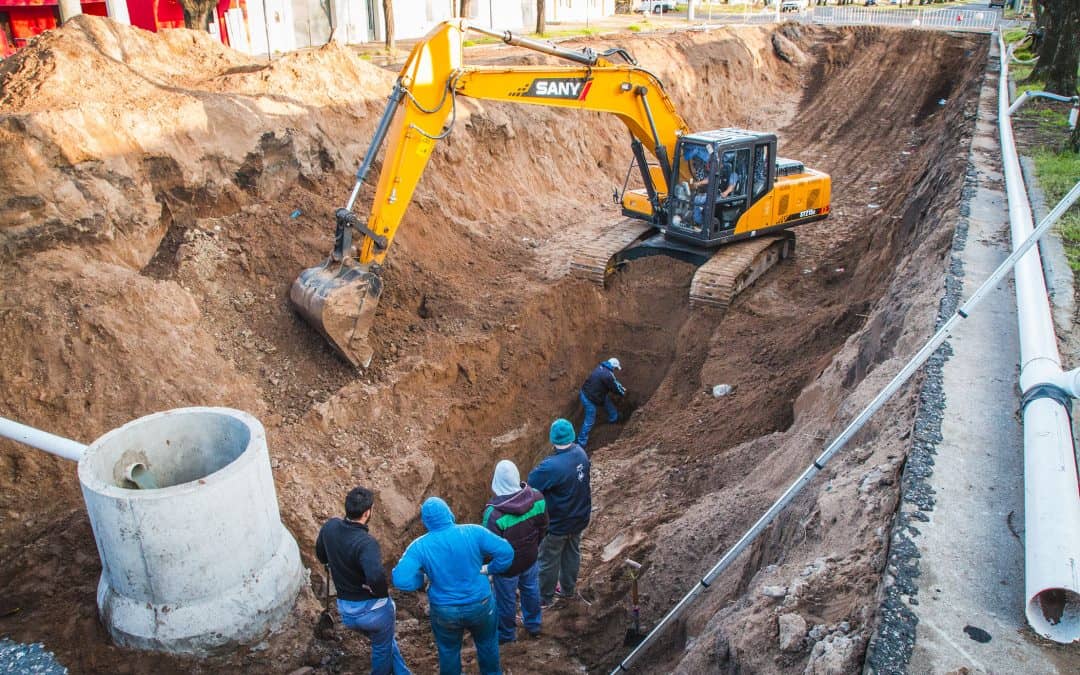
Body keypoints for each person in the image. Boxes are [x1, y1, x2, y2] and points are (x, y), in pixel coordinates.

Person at [392, 497, 513, 675]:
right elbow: (506, 552)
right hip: (481, 604)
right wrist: (490, 569)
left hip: (445, 612)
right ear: (450, 513)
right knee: (487, 645)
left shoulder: (419, 546)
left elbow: (401, 579)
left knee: (448, 652)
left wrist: (423, 579)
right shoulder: (474, 532)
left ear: (425, 522)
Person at [316, 486, 411, 675]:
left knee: (385, 641)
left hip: (346, 611)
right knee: (382, 647)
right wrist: (381, 593)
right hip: (372, 613)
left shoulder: (330, 527)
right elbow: (375, 577)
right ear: (367, 512)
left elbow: (321, 554)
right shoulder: (366, 543)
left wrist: (331, 563)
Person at [482, 460, 548, 644]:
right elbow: (543, 527)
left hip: (507, 568)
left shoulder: (494, 514)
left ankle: (506, 635)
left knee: (506, 601)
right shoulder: (537, 498)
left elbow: (489, 548)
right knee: (531, 590)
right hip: (530, 558)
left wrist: (490, 567)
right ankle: (534, 624)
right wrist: (534, 546)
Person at [528, 419, 592, 608]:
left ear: (552, 439)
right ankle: (568, 590)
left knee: (548, 559)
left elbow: (531, 484)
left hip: (558, 524)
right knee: (572, 553)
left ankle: (544, 598)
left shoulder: (551, 466)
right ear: (572, 435)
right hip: (579, 518)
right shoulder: (580, 453)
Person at [577, 357, 626, 449]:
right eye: (616, 368)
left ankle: (614, 416)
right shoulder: (607, 375)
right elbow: (614, 386)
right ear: (613, 367)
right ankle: (581, 442)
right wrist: (622, 392)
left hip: (586, 392)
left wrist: (619, 386)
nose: (615, 370)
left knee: (606, 400)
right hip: (589, 398)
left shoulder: (601, 367)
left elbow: (614, 381)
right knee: (590, 419)